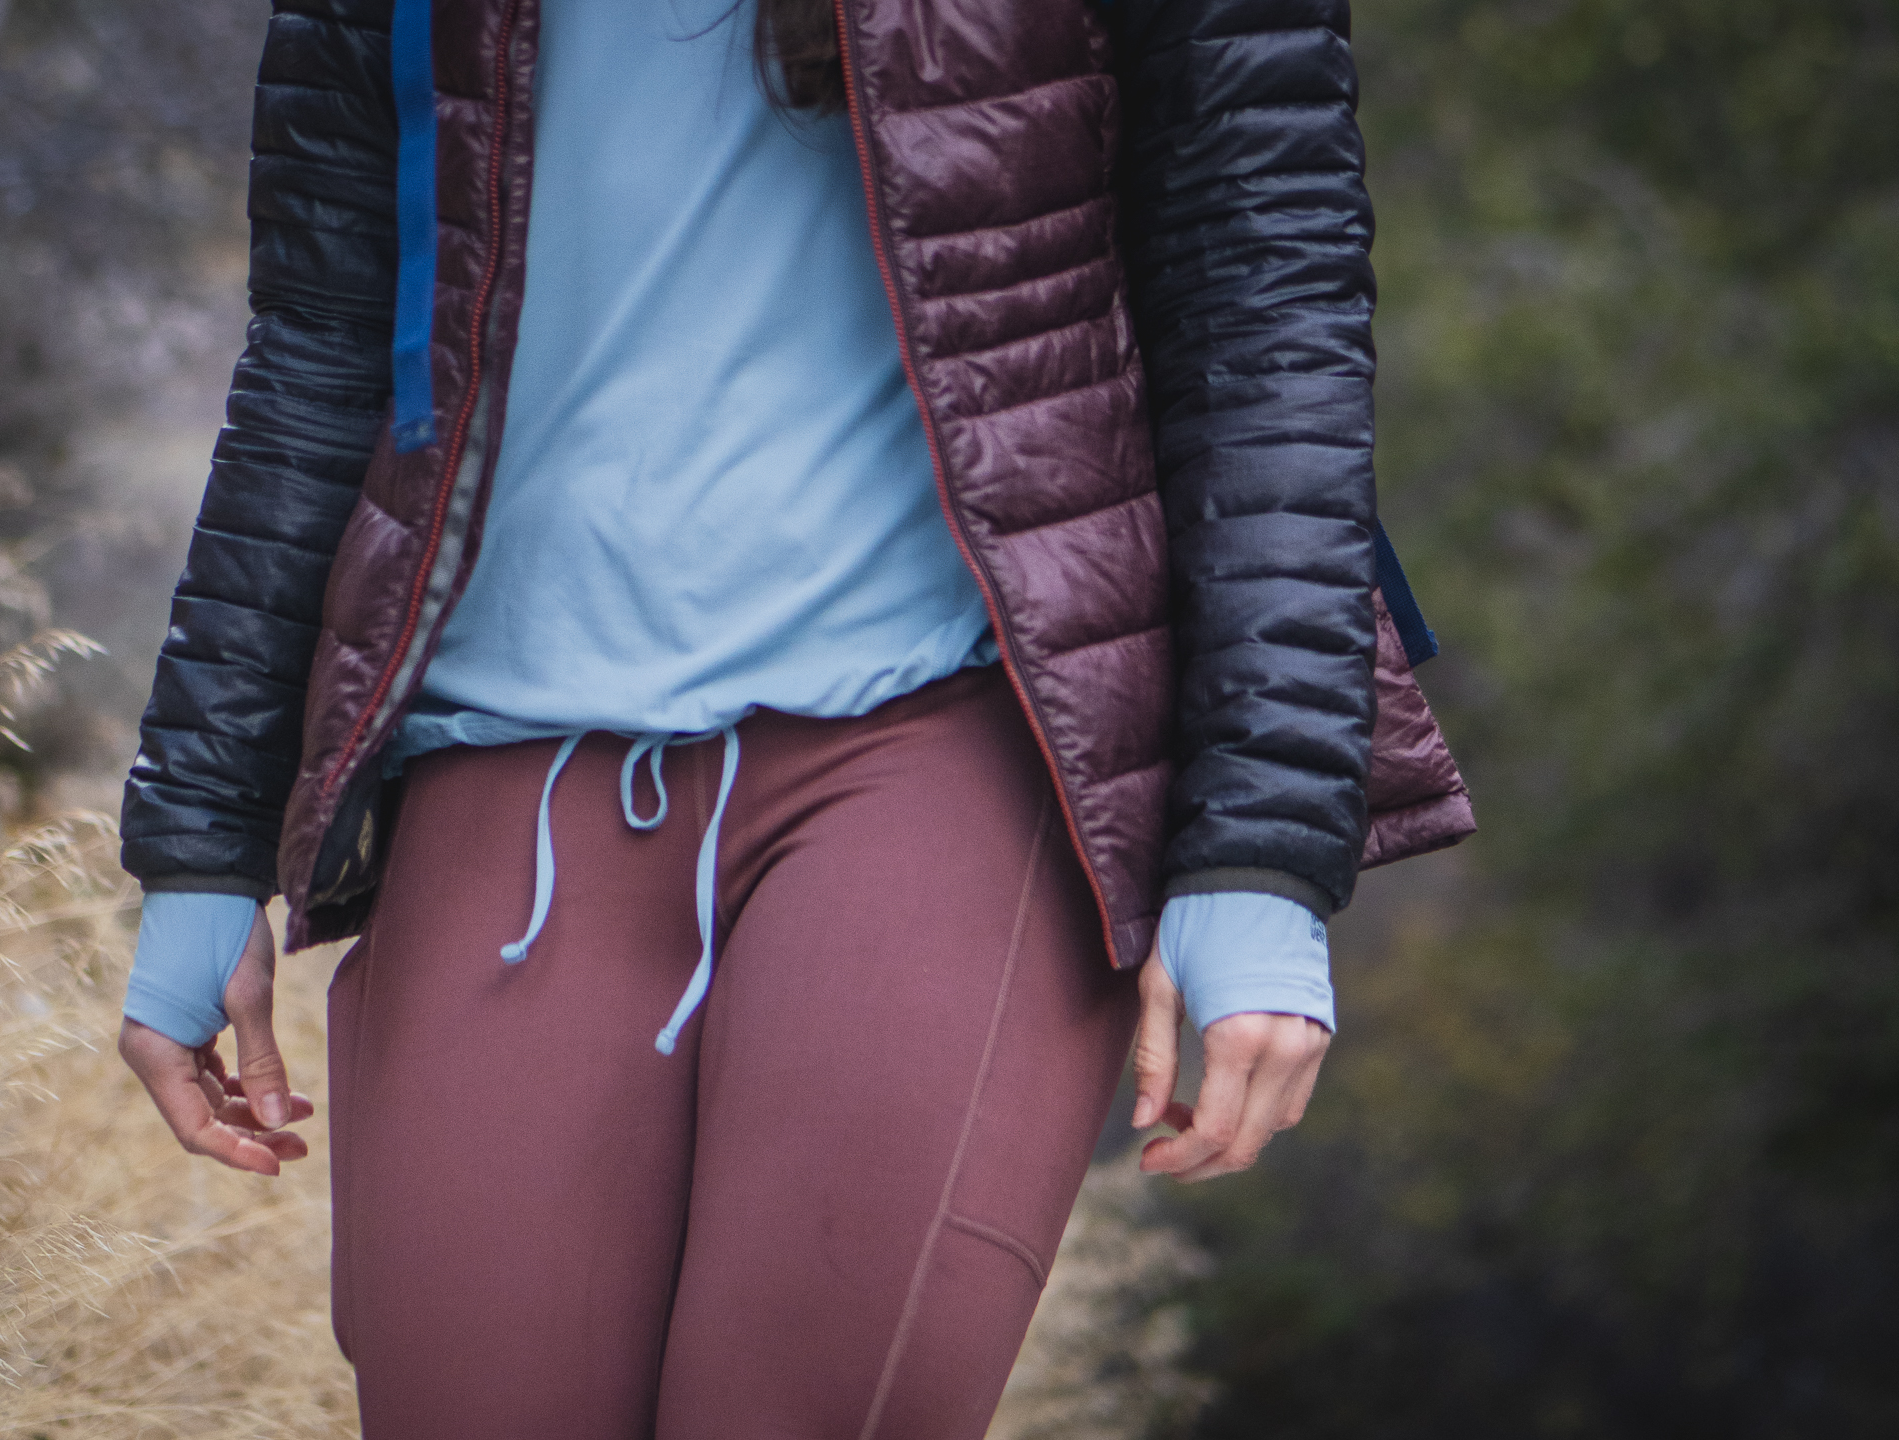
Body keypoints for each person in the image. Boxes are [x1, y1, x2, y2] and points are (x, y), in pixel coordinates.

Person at [114, 0, 1473, 1434]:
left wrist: (1258, 852)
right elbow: (324, 331)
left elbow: (1262, 296)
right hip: (507, 758)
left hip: (942, 735)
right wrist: (202, 843)